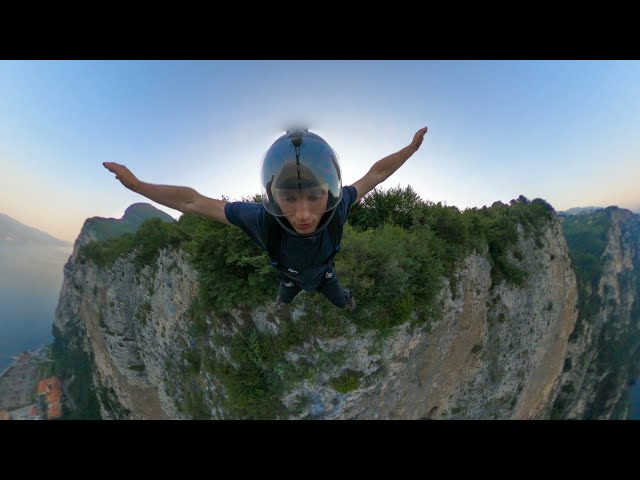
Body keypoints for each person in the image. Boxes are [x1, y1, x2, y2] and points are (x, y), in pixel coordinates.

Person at [103, 126, 428, 310]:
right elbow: (193, 201)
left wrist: (410, 149)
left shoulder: (338, 207)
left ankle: (346, 305)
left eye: (313, 197)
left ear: (327, 194)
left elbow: (377, 174)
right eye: (289, 198)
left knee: (341, 300)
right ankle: (284, 305)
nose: (303, 214)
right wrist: (139, 186)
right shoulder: (262, 219)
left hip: (324, 273)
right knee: (283, 298)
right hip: (288, 275)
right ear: (274, 197)